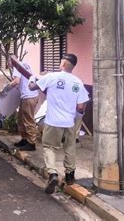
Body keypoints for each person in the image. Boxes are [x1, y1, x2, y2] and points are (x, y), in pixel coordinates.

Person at [28, 53, 89, 194]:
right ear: (73, 66)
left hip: (53, 121)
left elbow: (32, 87)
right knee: (70, 147)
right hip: (69, 123)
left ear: (62, 64)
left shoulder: (52, 77)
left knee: (49, 147)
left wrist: (32, 78)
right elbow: (81, 107)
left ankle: (53, 173)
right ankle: (69, 176)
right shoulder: (77, 82)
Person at [7, 59, 39, 151]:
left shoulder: (17, 66)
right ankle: (25, 139)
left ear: (10, 61)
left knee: (28, 120)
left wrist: (5, 89)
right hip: (28, 96)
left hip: (28, 96)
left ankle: (31, 143)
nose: (8, 65)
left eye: (8, 62)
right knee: (21, 119)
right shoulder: (25, 64)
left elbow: (16, 81)